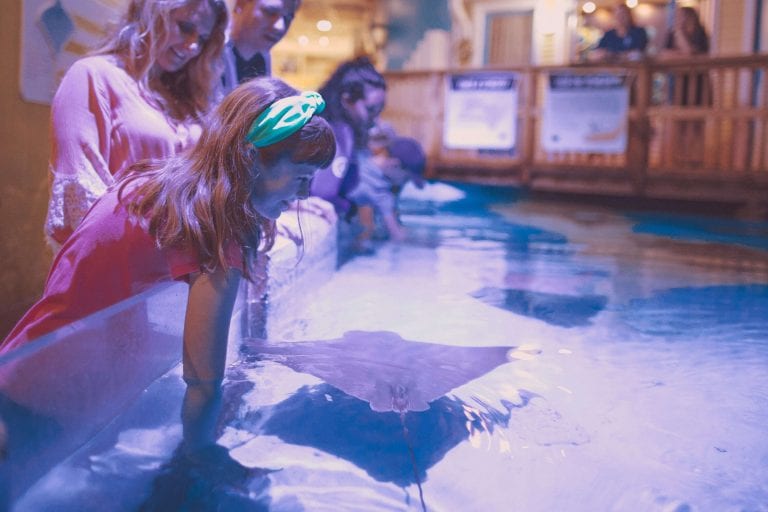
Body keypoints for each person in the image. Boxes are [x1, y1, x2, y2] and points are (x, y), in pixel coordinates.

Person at [1, 78, 335, 452]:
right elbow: (203, 381)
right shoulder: (215, 233)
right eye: (303, 178)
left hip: (23, 366)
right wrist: (198, 459)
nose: (306, 194)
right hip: (54, 397)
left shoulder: (154, 187)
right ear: (250, 159)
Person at [44, 0, 229, 250]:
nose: (193, 45)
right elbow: (82, 201)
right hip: (116, 265)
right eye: (185, 27)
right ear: (152, 12)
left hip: (178, 272)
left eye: (203, 38)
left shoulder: (189, 98)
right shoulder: (93, 75)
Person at [310, 56, 387, 221]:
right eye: (371, 109)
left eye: (379, 109)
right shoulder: (338, 132)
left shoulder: (335, 127)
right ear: (346, 100)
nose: (375, 118)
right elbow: (323, 193)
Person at [348, 122, 426, 250]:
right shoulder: (379, 191)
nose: (404, 183)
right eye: (406, 178)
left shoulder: (359, 159)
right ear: (395, 164)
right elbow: (397, 236)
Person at [221, 0, 301, 92]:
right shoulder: (208, 51)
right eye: (270, 12)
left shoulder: (263, 59)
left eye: (288, 18)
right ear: (240, 4)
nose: (280, 26)